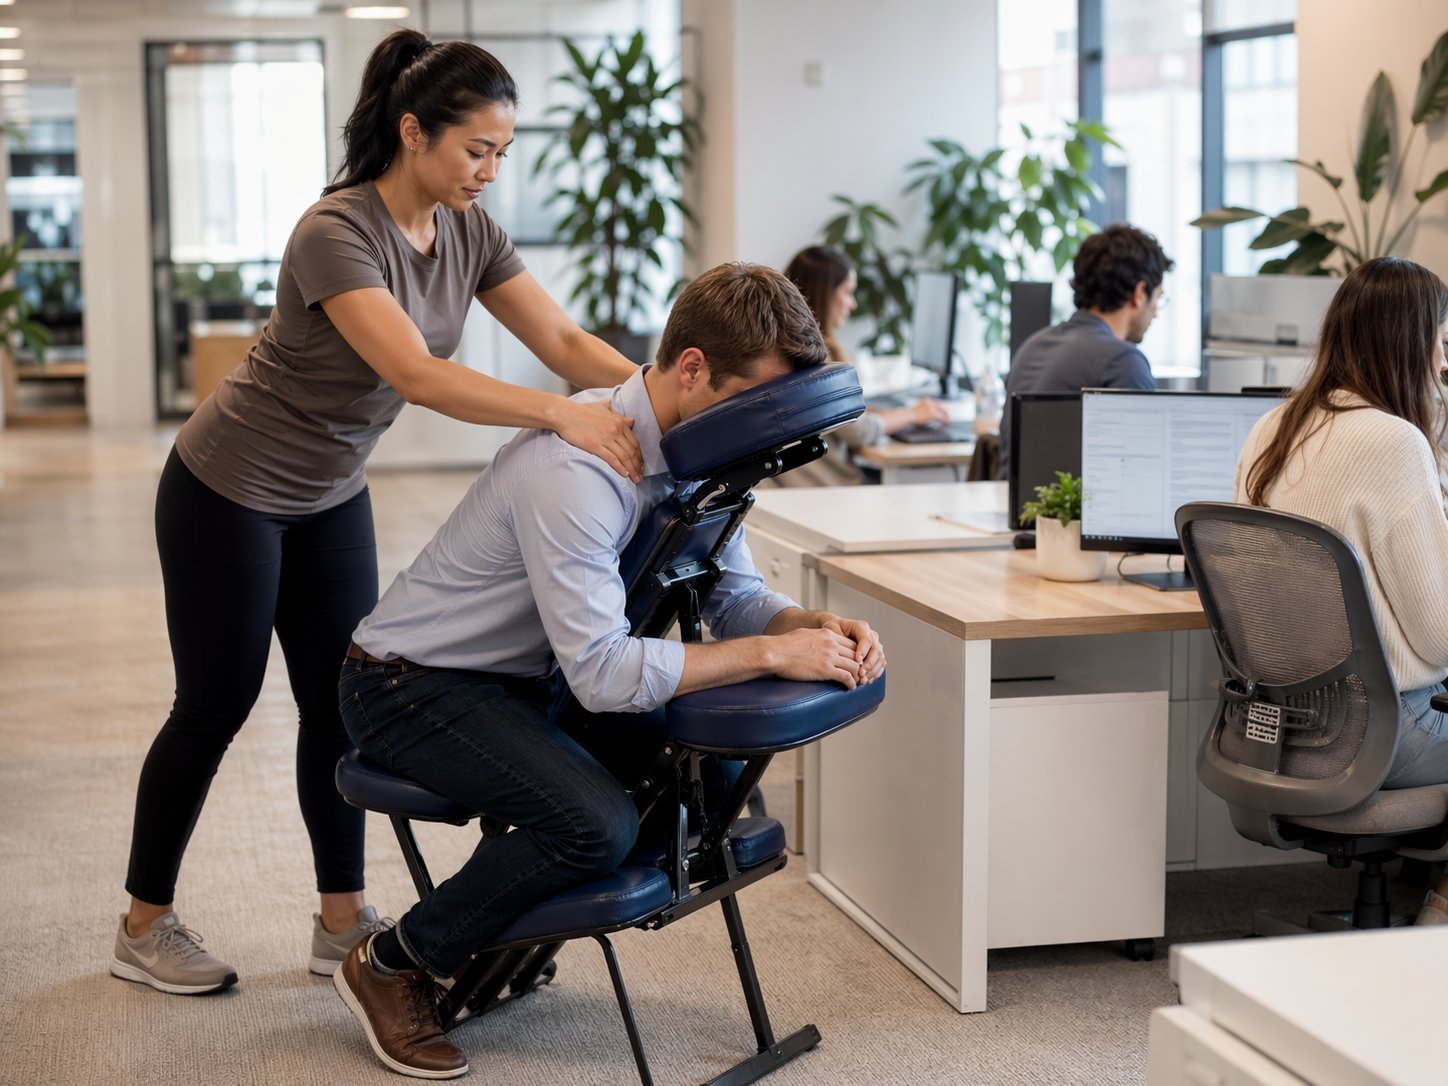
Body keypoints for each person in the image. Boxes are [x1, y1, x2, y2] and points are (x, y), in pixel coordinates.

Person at [110, 29, 649, 997]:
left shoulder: (470, 231)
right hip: (227, 486)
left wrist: (664, 401)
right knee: (215, 705)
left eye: (501, 153)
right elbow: (415, 373)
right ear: (413, 132)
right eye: (475, 149)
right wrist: (561, 414)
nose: (488, 171)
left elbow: (565, 341)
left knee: (336, 703)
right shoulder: (336, 232)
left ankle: (341, 918)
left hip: (329, 492)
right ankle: (143, 924)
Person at [330, 262, 887, 1079]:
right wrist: (772, 655)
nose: (763, 430)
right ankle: (394, 962)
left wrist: (803, 625)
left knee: (703, 782)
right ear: (692, 368)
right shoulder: (576, 471)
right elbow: (602, 673)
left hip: (528, 681)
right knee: (597, 825)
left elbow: (732, 595)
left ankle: (499, 943)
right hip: (409, 683)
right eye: (752, 402)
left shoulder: (705, 455)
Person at [1233, 255, 1448, 926]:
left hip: (1275, 729)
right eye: (1441, 342)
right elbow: (1440, 638)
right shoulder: (1393, 442)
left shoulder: (1273, 427)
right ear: (1410, 344)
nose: (1445, 363)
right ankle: (1440, 911)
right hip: (1376, 737)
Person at [997, 223, 1173, 480]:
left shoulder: (1033, 344)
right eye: (1158, 298)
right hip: (1075, 507)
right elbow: (1142, 476)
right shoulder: (1123, 361)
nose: (1156, 312)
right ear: (1139, 293)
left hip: (1015, 505)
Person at [762, 245, 948, 486]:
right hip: (828, 489)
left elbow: (844, 414)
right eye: (847, 293)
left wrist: (892, 412)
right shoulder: (813, 360)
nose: (853, 304)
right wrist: (913, 415)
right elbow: (859, 431)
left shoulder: (780, 350)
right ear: (826, 295)